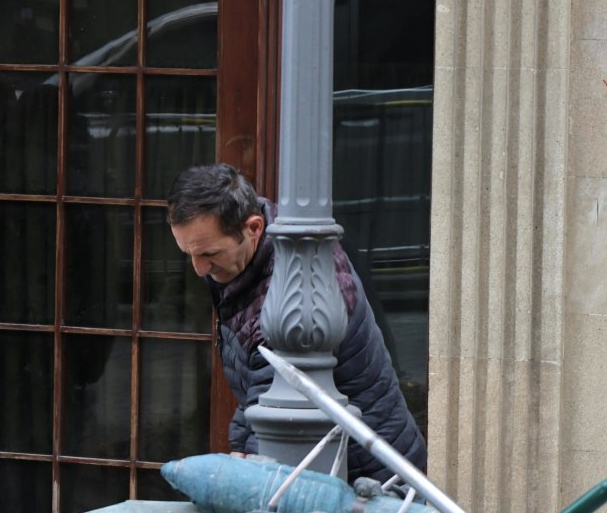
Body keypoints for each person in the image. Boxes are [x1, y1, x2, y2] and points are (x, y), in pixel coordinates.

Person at [164, 163, 426, 481]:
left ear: (254, 228)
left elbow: (276, 399)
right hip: (337, 460)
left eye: (209, 253)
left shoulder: (293, 293)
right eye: (188, 253)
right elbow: (260, 386)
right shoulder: (258, 248)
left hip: (364, 475)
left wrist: (244, 459)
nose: (199, 269)